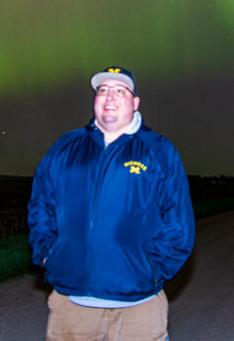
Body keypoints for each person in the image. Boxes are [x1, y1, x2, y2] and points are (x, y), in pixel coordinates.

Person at [28, 66, 195, 341]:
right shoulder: (66, 147)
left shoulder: (158, 150)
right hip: (72, 305)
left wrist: (152, 269)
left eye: (120, 91)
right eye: (103, 90)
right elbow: (41, 202)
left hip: (139, 306)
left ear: (135, 102)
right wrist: (47, 250)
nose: (110, 97)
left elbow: (178, 221)